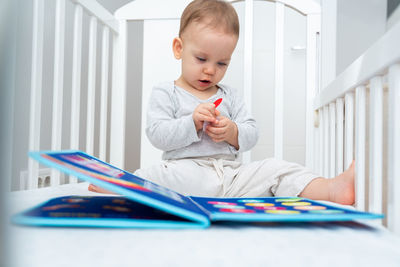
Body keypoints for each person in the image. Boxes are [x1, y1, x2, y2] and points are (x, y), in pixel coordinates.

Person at [89, 0, 355, 205]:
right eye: (202, 59)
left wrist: (233, 132)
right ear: (179, 49)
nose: (210, 70)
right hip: (187, 174)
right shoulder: (165, 92)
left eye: (222, 63)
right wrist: (191, 123)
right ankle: (121, 186)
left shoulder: (230, 96)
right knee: (157, 174)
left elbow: (252, 132)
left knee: (276, 168)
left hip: (232, 177)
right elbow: (158, 135)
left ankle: (331, 189)